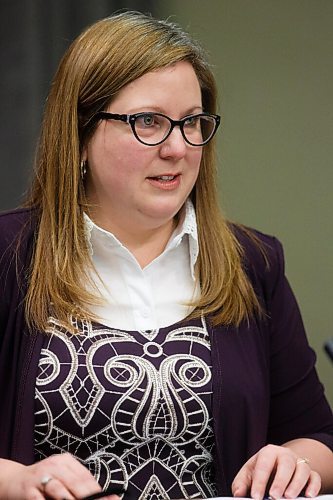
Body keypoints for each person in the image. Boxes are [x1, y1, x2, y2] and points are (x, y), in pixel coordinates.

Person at [0, 10, 332, 500]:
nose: (178, 147)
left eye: (193, 122)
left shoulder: (252, 262)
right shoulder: (8, 256)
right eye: (149, 122)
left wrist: (296, 460)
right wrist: (17, 481)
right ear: (80, 135)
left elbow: (319, 438)